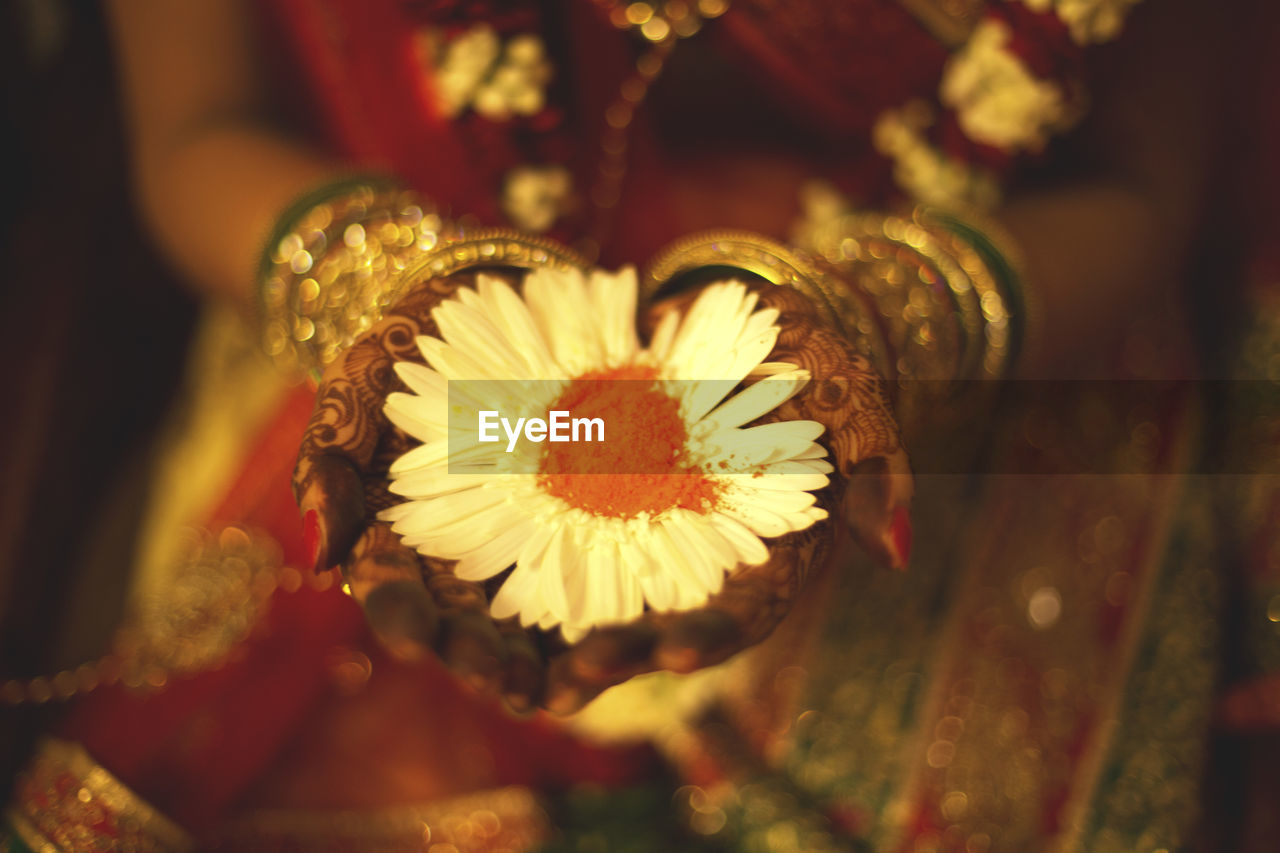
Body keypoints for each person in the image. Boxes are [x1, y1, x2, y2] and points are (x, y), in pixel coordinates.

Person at [4, 0, 1273, 849]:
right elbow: (197, 131)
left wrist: (874, 332)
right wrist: (383, 296)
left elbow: (1142, 177)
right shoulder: (444, 360)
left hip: (984, 319)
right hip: (439, 315)